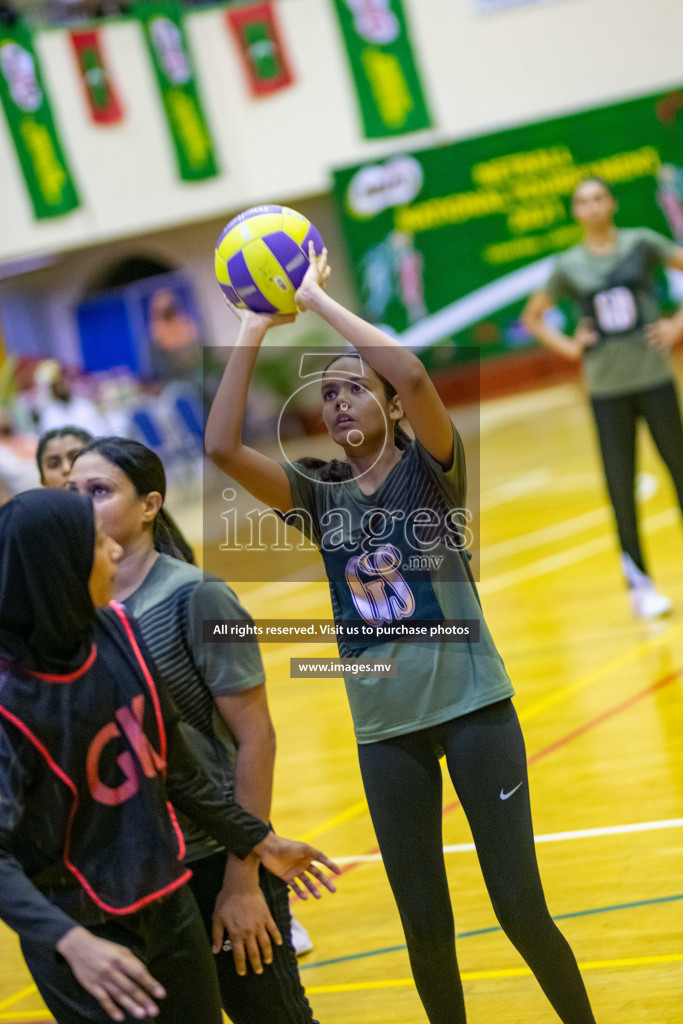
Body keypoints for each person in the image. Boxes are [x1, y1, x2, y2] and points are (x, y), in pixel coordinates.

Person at [204, 244, 598, 1024]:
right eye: (330, 393)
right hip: (384, 733)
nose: (340, 402)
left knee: (519, 908)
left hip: (475, 711)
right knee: (425, 928)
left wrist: (315, 301)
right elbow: (219, 448)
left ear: (388, 407)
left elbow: (414, 376)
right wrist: (252, 326)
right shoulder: (317, 498)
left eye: (356, 389)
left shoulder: (432, 470)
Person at [0, 488, 339, 1024]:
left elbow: (169, 762)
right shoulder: (10, 698)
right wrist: (69, 942)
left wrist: (254, 838)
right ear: (58, 565)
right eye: (97, 543)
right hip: (85, 936)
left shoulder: (117, 630)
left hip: (167, 901)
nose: (114, 552)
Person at [67, 438, 317, 1023]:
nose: (82, 505)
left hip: (216, 857)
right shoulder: (77, 615)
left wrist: (242, 879)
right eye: (72, 493)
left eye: (99, 491)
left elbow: (257, 738)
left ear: (150, 504)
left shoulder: (195, 596)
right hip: (143, 873)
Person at [523, 176, 683, 618]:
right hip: (605, 387)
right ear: (576, 212)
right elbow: (534, 317)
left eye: (598, 198)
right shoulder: (569, 264)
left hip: (654, 377)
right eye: (582, 202)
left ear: (611, 203)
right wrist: (571, 348)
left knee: (681, 472)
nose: (592, 207)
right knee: (620, 485)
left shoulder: (641, 243)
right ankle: (641, 586)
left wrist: (676, 325)